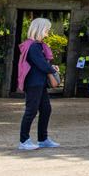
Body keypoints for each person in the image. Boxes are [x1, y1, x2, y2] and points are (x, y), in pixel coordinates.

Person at [15, 18, 61, 150]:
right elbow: (41, 64)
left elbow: (42, 63)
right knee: (31, 111)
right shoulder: (33, 46)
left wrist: (51, 68)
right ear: (40, 29)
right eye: (47, 28)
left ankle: (43, 139)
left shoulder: (37, 45)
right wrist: (53, 70)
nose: (48, 31)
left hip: (39, 83)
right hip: (34, 83)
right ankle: (24, 141)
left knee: (46, 109)